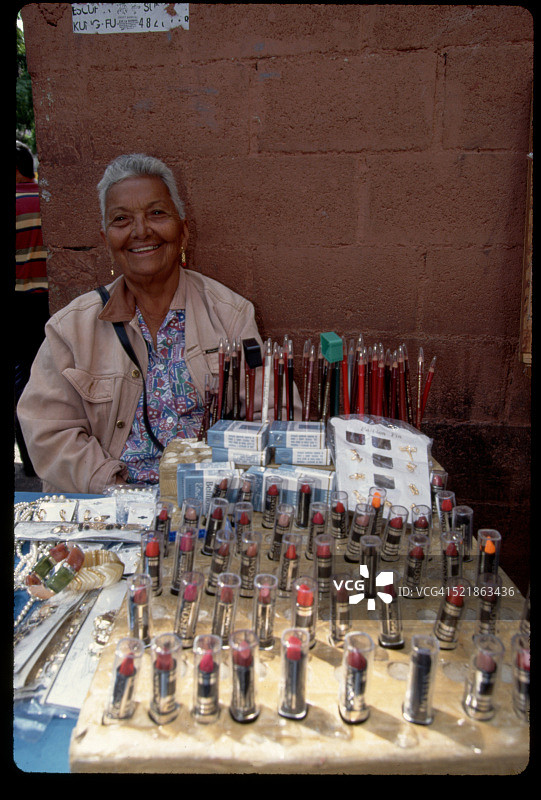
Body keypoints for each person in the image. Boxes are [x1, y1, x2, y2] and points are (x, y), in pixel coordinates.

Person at [18, 153, 300, 494]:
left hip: (209, 502)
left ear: (182, 230)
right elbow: (47, 431)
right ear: (107, 239)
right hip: (111, 506)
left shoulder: (230, 314)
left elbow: (274, 409)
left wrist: (227, 482)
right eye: (122, 219)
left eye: (157, 213)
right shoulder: (70, 329)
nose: (141, 231)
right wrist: (113, 489)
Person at [15, 140, 49, 477]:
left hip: (20, 301)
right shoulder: (45, 198)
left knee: (22, 378)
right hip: (48, 303)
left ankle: (29, 459)